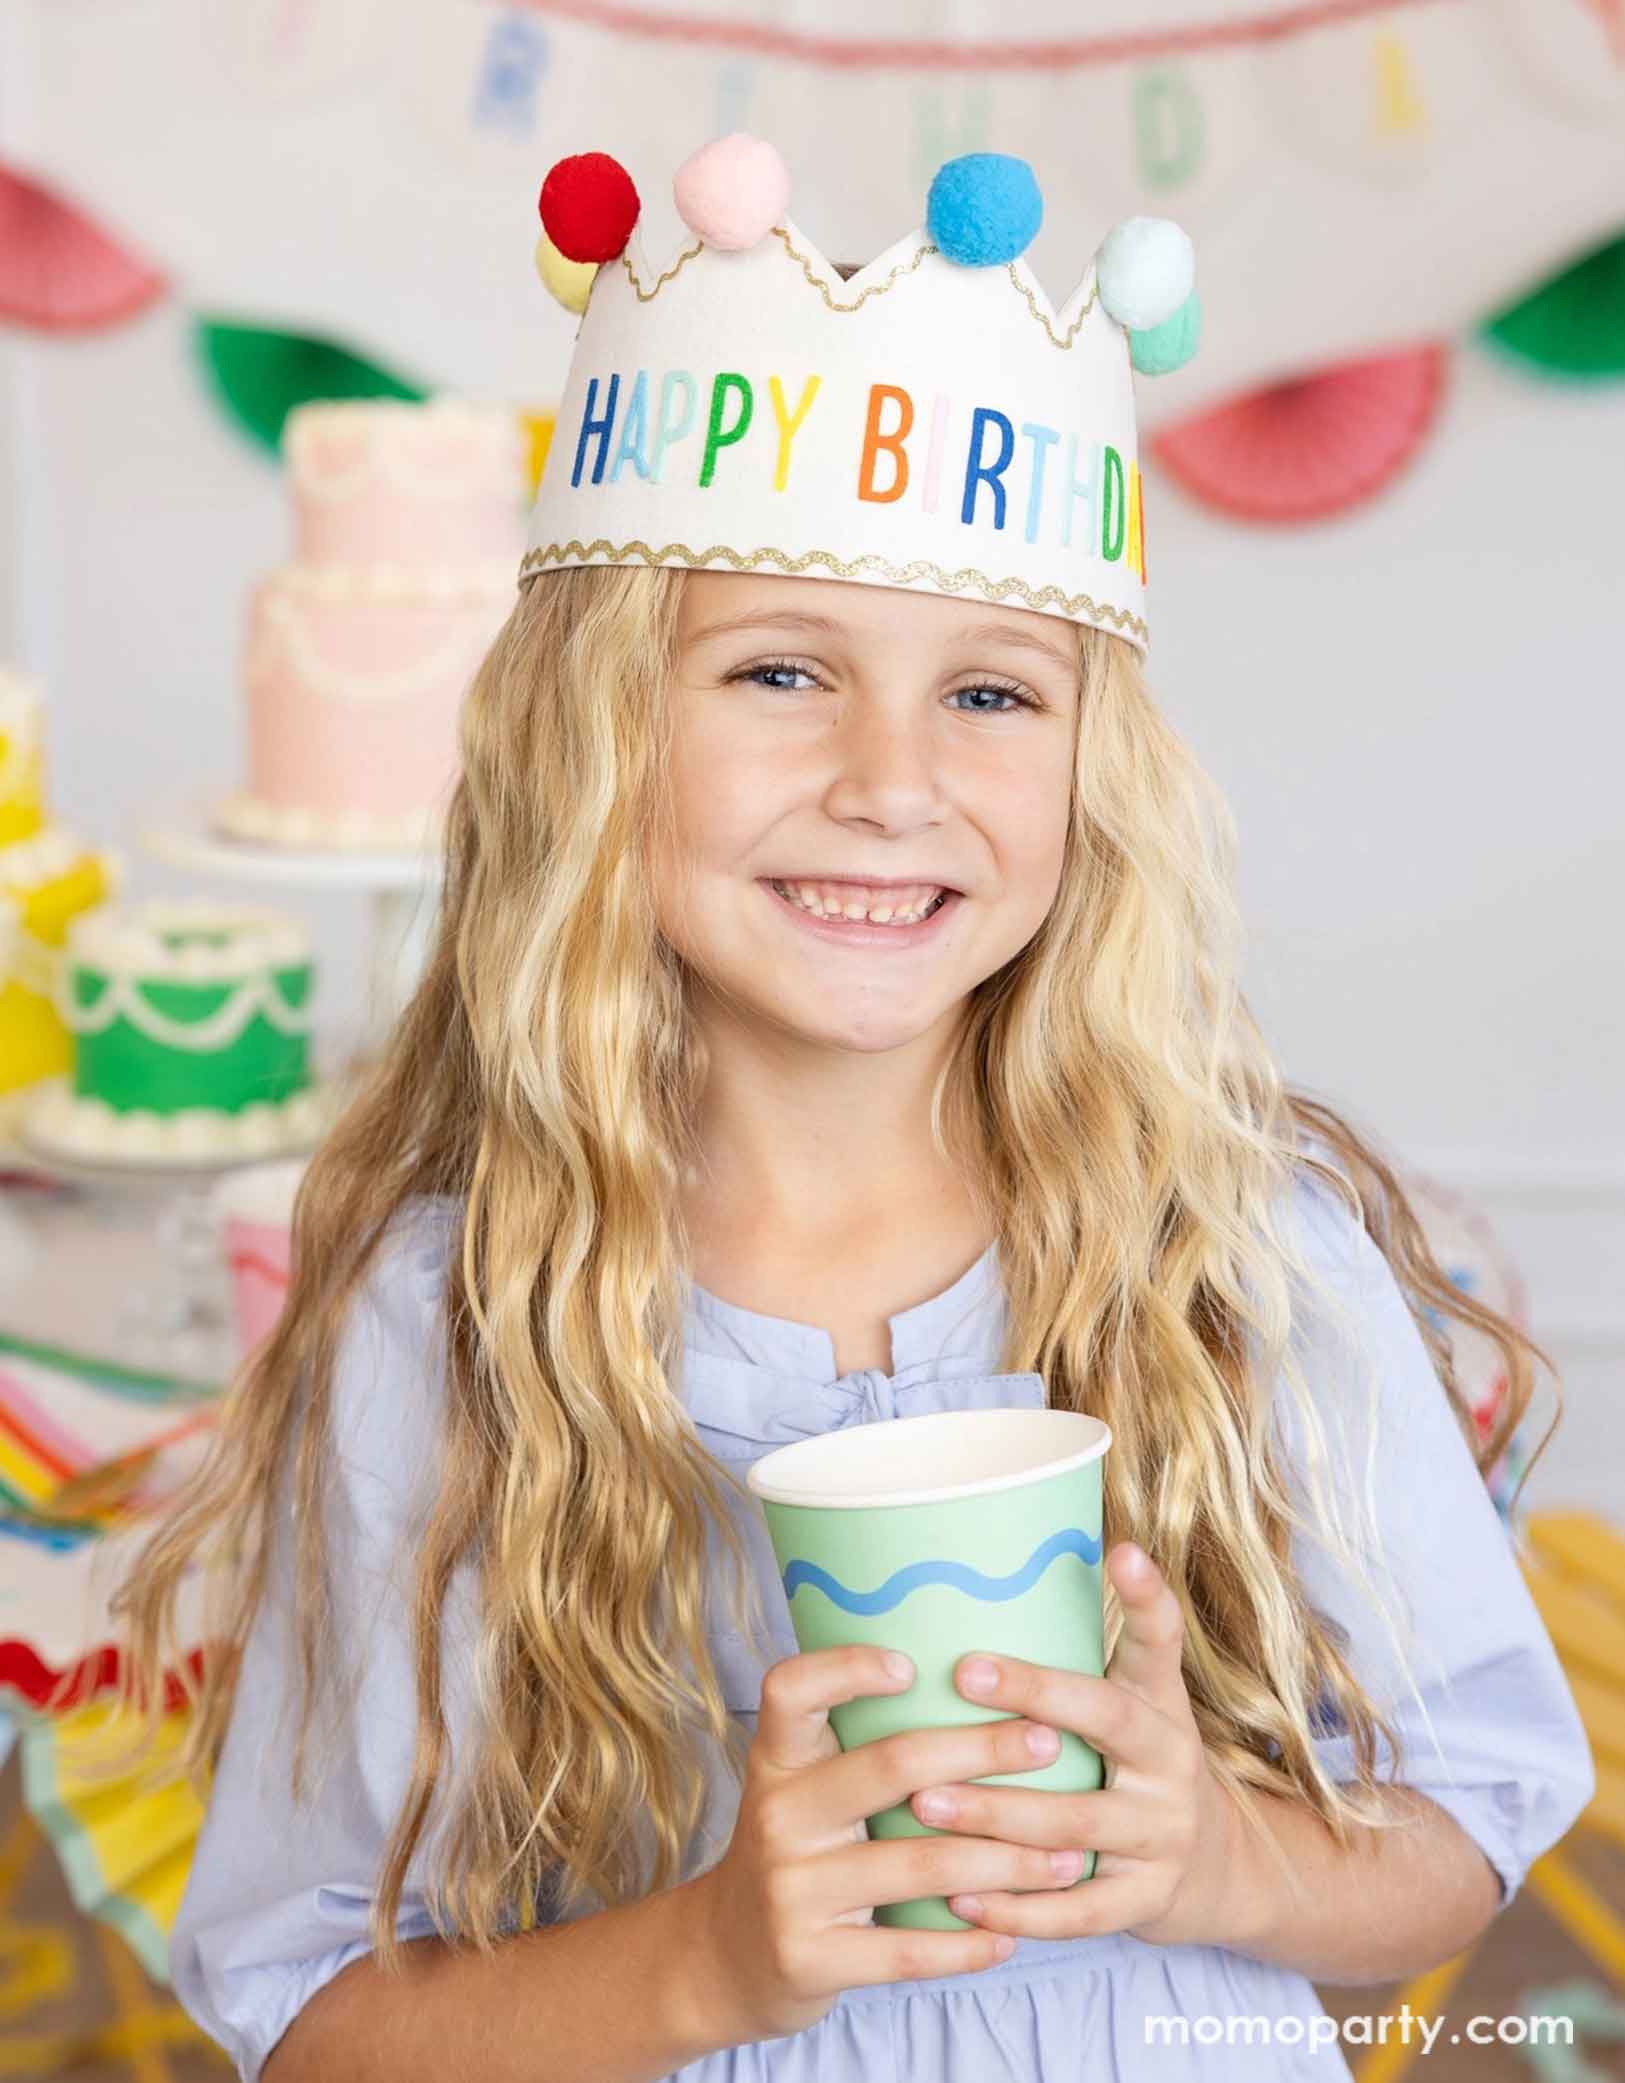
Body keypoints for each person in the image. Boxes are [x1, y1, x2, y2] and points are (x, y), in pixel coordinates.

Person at [109, 139, 1593, 2083]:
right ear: (600, 738)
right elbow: (317, 2028)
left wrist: (1216, 1850)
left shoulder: (1237, 1248)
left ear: (1094, 768)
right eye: (782, 670)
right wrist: (717, 1957)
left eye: (992, 694)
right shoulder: (451, 1314)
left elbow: (1457, 1842)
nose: (895, 780)